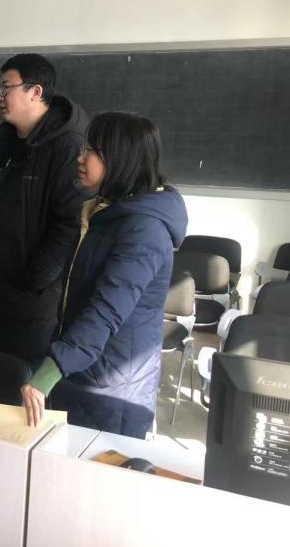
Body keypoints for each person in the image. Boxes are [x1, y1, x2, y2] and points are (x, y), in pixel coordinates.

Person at [21, 112, 188, 438]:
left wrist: (48, 373)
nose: (80, 158)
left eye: (91, 150)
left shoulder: (144, 230)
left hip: (113, 390)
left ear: (119, 159)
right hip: (85, 370)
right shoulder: (107, 212)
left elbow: (105, 311)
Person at [0, 54, 87, 362]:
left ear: (35, 92)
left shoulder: (66, 147)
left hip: (31, 306)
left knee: (15, 381)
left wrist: (32, 279)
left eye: (6, 87)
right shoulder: (11, 145)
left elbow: (71, 224)